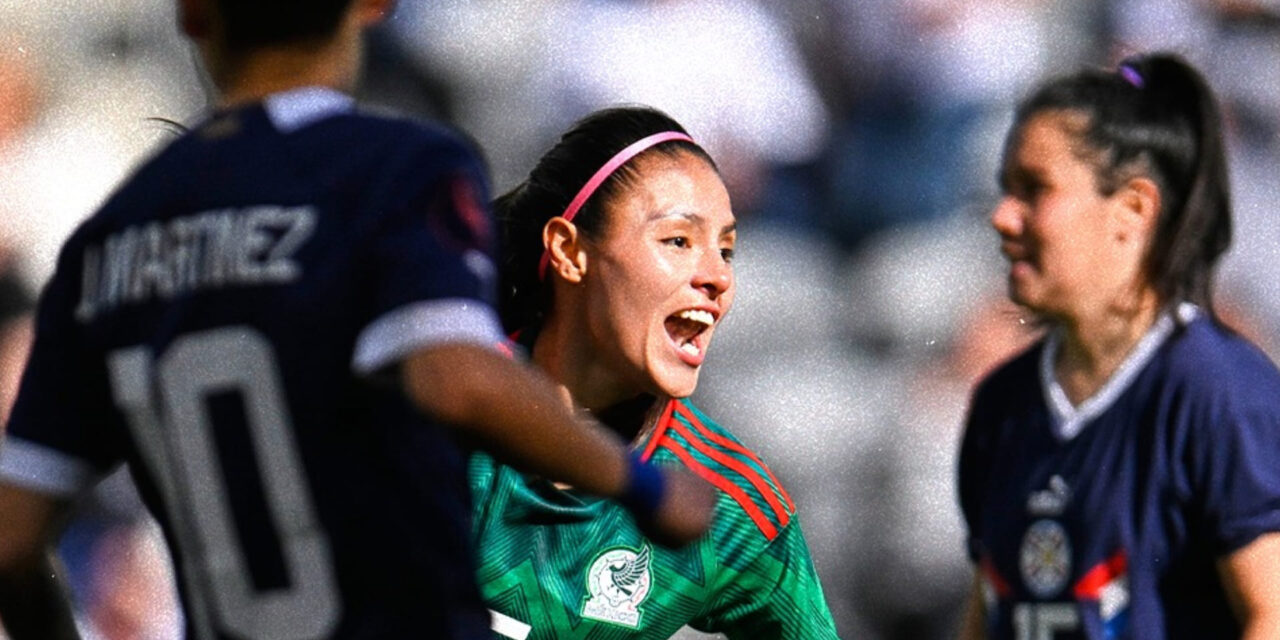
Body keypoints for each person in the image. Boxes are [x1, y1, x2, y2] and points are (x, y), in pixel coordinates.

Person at [0, 2, 715, 639]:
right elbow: (452, 377)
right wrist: (643, 485)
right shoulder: (396, 167)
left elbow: (10, 537)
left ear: (191, 13)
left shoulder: (111, 239)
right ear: (375, 5)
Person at [471, 105, 840, 639]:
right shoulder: (443, 409)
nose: (717, 277)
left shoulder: (728, 503)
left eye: (727, 251)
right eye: (679, 241)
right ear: (569, 251)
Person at [957, 52, 1280, 639]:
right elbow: (987, 616)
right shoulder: (1002, 406)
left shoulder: (1221, 394)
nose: (1003, 217)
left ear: (1132, 208)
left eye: (1034, 190)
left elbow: (1274, 614)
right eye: (1005, 190)